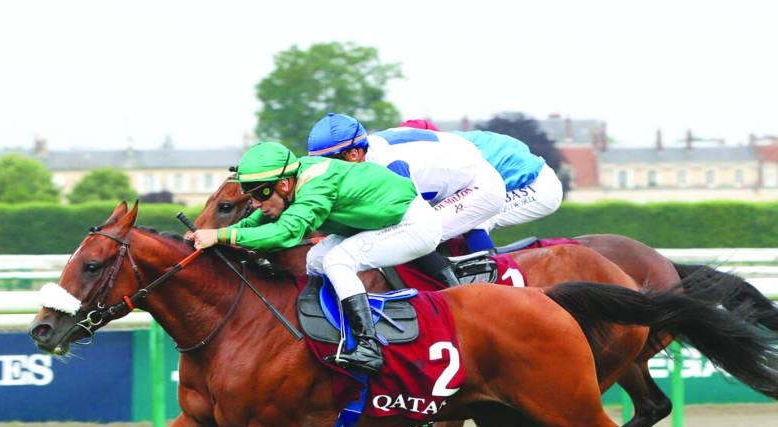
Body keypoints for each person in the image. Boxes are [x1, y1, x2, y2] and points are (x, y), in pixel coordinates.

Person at [188, 141, 440, 375]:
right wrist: (214, 234)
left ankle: (369, 346)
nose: (255, 203)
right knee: (316, 258)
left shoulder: (315, 187)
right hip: (374, 224)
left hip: (412, 224)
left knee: (337, 261)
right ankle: (330, 332)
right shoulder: (290, 178)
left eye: (259, 194)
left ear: (283, 185)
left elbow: (284, 233)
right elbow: (261, 218)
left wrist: (221, 234)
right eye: (251, 195)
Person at [306, 113, 507, 283]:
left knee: (413, 233)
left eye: (329, 163)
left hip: (479, 187)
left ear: (354, 154)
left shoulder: (388, 166)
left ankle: (458, 290)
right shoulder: (365, 156)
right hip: (448, 172)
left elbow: (413, 225)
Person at [400, 119, 564, 253]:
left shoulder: (447, 152)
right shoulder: (445, 144)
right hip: (520, 179)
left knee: (472, 219)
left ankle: (493, 279)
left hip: (537, 186)